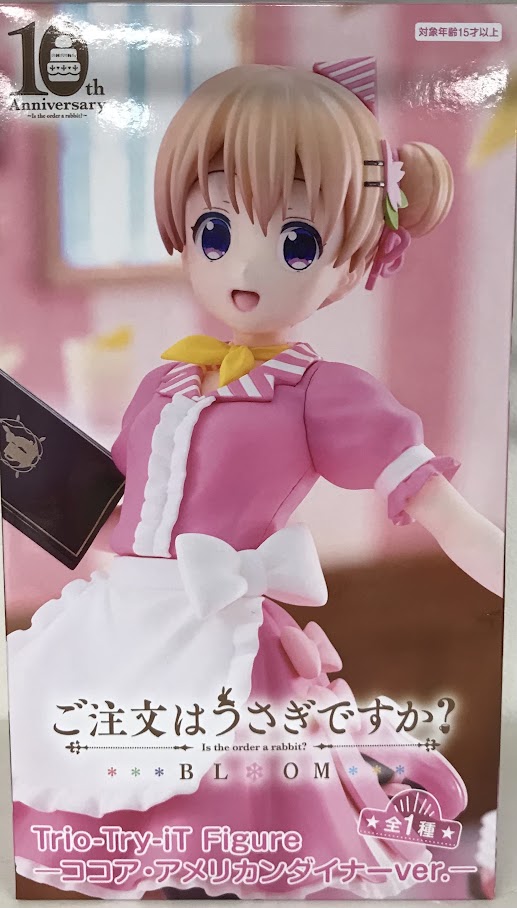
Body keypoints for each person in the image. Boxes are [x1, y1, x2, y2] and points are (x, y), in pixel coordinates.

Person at [8, 60, 503, 900]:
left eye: (296, 242)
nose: (243, 262)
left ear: (351, 261)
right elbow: (120, 514)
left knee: (218, 848)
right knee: (117, 826)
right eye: (214, 229)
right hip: (120, 629)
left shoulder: (324, 394)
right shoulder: (164, 383)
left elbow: (441, 511)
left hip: (225, 649)